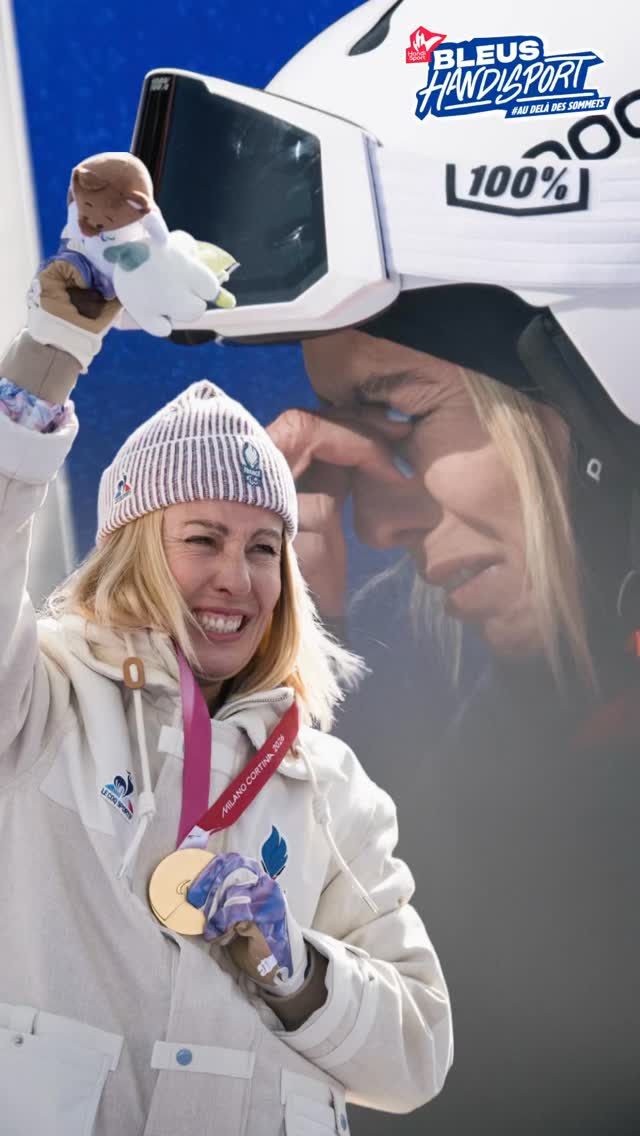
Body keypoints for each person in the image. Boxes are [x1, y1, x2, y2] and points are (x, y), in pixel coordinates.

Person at [124, 0, 640, 1131]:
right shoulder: (532, 726)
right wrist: (278, 740)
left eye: (397, 415)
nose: (375, 513)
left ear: (603, 375)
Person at [0, 155, 453, 1136]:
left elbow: (419, 1047)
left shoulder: (327, 781)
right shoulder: (40, 698)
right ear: (133, 553)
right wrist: (49, 354)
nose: (237, 577)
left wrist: (301, 975)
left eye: (263, 549)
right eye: (201, 539)